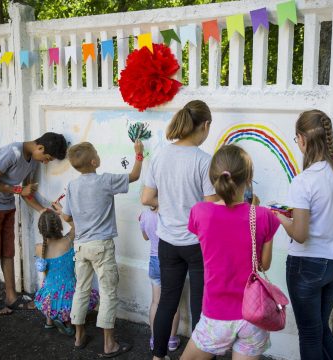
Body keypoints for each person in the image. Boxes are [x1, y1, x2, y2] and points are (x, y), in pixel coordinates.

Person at [180, 144, 280, 360]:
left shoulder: (199, 212)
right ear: (249, 178)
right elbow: (263, 265)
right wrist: (257, 212)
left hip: (216, 315)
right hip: (253, 315)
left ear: (213, 177)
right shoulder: (264, 216)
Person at [274, 110, 333, 360]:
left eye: (296, 138)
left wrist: (279, 217)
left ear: (302, 139)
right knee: (320, 331)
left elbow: (299, 235)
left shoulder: (304, 181)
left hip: (306, 265)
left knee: (310, 334)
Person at [141, 100, 218, 360]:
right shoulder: (204, 161)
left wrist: (169, 205)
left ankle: (158, 355)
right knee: (200, 306)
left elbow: (146, 198)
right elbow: (210, 208)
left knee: (167, 302)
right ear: (205, 125)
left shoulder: (160, 155)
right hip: (197, 245)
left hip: (167, 243)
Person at [61, 140, 144, 355]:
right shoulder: (105, 181)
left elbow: (67, 215)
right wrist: (138, 154)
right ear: (94, 160)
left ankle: (79, 337)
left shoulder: (72, 186)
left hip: (80, 246)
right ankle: (109, 344)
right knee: (108, 293)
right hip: (101, 246)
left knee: (81, 290)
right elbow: (134, 176)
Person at [0, 132, 67, 315]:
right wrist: (18, 189)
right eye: (47, 158)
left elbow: (26, 193)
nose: (46, 162)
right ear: (40, 148)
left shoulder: (33, 160)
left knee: (8, 251)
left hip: (6, 205)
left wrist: (42, 210)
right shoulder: (12, 152)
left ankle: (11, 296)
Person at [34, 208, 99, 336]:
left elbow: (45, 273)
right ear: (58, 226)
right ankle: (68, 324)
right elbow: (77, 226)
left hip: (48, 300)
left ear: (41, 229)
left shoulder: (39, 248)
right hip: (69, 296)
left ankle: (50, 321)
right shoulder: (68, 241)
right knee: (72, 300)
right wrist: (62, 212)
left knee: (50, 287)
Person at [139, 206, 181, 352]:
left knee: (156, 301)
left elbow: (145, 237)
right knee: (172, 302)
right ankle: (171, 339)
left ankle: (154, 339)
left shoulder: (144, 215)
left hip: (153, 260)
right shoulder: (169, 212)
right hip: (170, 260)